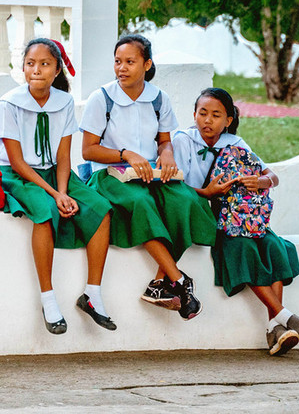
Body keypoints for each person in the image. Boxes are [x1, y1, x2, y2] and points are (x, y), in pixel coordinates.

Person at [80, 34, 216, 320]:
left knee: (186, 201)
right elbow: (88, 150)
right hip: (110, 176)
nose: (122, 68)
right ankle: (179, 281)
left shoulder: (158, 98)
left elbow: (164, 141)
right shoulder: (101, 98)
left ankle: (159, 283)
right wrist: (125, 154)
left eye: (130, 61)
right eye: (118, 61)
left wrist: (166, 153)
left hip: (150, 173)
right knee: (141, 205)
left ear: (147, 64)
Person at [173, 87, 299, 355]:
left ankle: (276, 328)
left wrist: (261, 181)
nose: (208, 120)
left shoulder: (235, 144)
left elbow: (272, 176)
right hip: (210, 216)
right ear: (194, 114)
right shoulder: (182, 142)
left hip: (243, 215)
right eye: (202, 113)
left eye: (216, 115)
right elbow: (173, 186)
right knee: (243, 248)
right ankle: (285, 318)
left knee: (274, 246)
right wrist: (207, 193)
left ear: (228, 120)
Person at [0, 38, 115, 335]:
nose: (37, 70)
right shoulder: (9, 104)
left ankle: (92, 295)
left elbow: (63, 157)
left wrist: (63, 189)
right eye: (30, 64)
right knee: (45, 212)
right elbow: (18, 162)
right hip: (19, 175)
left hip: (55, 174)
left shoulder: (64, 102)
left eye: (45, 64)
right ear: (22, 67)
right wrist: (56, 195)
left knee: (101, 207)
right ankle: (48, 300)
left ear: (57, 69)